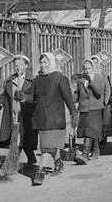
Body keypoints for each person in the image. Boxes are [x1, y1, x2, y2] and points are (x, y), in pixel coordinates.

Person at [32, 52, 78, 185]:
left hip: (55, 119)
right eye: (41, 62)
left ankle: (39, 172)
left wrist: (74, 114)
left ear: (51, 62)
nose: (43, 64)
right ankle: (58, 162)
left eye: (45, 62)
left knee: (47, 149)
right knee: (49, 146)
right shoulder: (37, 80)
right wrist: (22, 97)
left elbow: (68, 98)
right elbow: (32, 98)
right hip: (42, 119)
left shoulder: (59, 78)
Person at [0, 55, 38, 166]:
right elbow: (3, 98)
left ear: (26, 65)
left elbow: (35, 98)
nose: (18, 67)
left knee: (23, 138)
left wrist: (24, 97)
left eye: (20, 65)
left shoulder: (32, 81)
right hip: (12, 116)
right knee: (16, 139)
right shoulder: (10, 81)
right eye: (16, 65)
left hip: (26, 117)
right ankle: (18, 161)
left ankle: (15, 162)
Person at [73, 59, 106, 165]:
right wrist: (69, 100)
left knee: (89, 131)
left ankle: (85, 154)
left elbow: (99, 92)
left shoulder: (99, 78)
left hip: (95, 108)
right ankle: (96, 151)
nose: (87, 71)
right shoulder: (81, 80)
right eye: (85, 69)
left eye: (89, 68)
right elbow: (77, 95)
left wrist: (92, 81)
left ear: (93, 68)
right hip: (84, 108)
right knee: (91, 131)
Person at [91, 55, 112, 148]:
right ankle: (93, 143)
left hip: (102, 102)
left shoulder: (104, 74)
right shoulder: (89, 74)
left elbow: (108, 88)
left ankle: (103, 140)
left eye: (96, 62)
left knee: (103, 123)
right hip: (92, 103)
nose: (95, 63)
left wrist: (106, 100)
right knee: (93, 124)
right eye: (93, 62)